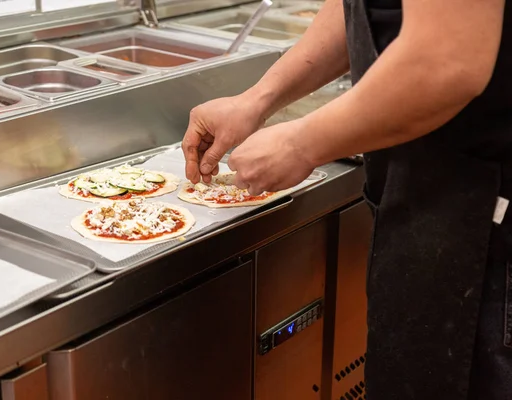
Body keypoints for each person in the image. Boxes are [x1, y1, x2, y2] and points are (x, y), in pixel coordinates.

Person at [181, 0, 512, 399]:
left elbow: (446, 63)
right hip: (428, 210)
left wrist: (299, 144)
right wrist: (256, 101)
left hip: (487, 225)